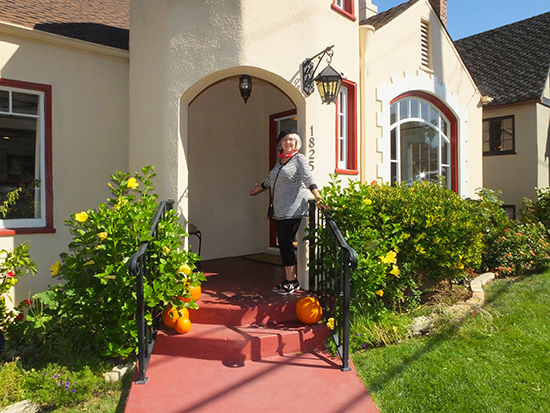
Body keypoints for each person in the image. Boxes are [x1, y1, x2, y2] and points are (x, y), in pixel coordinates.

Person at [250, 128, 323, 295]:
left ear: (296, 143)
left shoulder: (299, 159)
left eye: (292, 140)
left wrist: (318, 197)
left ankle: (292, 280)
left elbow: (308, 178)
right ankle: (289, 279)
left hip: (293, 209)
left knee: (285, 243)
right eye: (285, 140)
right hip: (279, 209)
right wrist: (259, 188)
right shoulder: (280, 160)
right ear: (280, 144)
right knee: (284, 244)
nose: (288, 142)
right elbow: (270, 180)